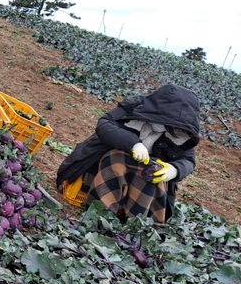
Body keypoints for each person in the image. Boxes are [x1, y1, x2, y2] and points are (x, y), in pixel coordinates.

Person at [56, 84, 200, 222]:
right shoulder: (135, 108)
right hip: (99, 168)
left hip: (142, 180)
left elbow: (188, 160)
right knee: (117, 159)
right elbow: (104, 125)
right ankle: (100, 212)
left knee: (154, 174)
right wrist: (133, 144)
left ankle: (136, 221)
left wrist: (174, 170)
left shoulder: (182, 133)